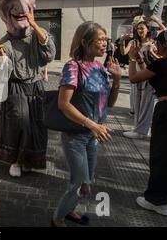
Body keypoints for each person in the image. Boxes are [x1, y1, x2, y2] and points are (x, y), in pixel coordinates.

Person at [0, 0, 56, 177]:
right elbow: (0, 76)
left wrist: (36, 26)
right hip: (16, 89)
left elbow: (49, 55)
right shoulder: (3, 43)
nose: (21, 5)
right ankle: (15, 160)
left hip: (35, 86)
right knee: (18, 124)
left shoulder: (38, 35)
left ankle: (30, 160)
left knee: (36, 125)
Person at [52, 21, 121, 227]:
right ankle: (57, 218)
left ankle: (70, 209)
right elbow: (63, 104)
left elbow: (109, 103)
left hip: (93, 136)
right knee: (78, 182)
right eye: (100, 39)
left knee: (87, 183)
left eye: (105, 39)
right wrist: (92, 125)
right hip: (76, 136)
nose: (104, 43)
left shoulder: (100, 68)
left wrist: (116, 79)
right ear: (85, 41)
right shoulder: (73, 67)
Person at [129, 28, 167, 216]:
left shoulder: (164, 64)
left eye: (158, 42)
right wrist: (145, 61)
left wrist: (133, 59)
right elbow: (153, 76)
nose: (156, 45)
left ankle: (158, 200)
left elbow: (134, 78)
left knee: (162, 154)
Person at [120, 19, 156, 139]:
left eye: (142, 28)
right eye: (138, 28)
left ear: (148, 29)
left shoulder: (152, 43)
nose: (140, 30)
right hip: (136, 74)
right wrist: (122, 41)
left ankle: (142, 131)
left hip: (147, 75)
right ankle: (138, 127)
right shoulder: (134, 42)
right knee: (137, 103)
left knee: (146, 103)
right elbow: (124, 52)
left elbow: (156, 60)